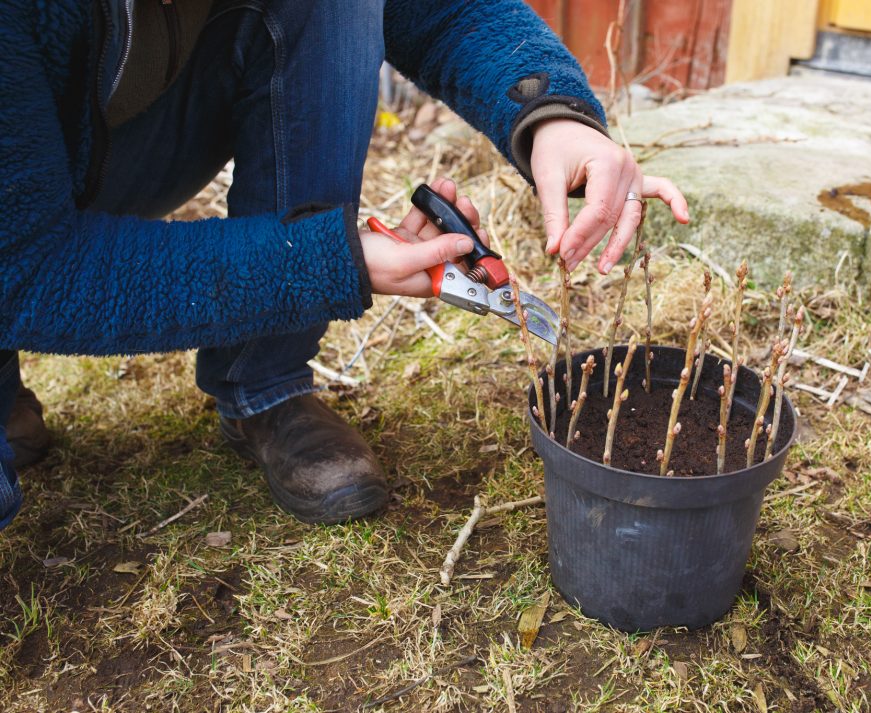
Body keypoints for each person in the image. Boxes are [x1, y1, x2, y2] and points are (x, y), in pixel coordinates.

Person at [0, 0, 689, 529]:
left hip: (104, 141)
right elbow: (31, 270)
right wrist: (329, 262)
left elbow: (438, 9)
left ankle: (262, 385)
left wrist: (550, 113)